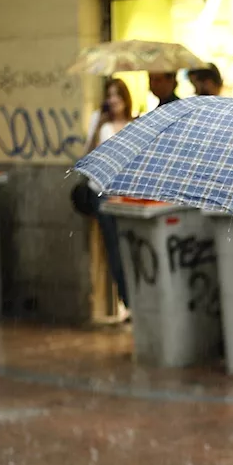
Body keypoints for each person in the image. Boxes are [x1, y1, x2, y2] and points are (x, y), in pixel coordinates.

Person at [84, 78, 134, 317]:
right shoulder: (102, 126)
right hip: (104, 192)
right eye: (109, 95)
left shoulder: (135, 124)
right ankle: (128, 299)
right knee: (114, 245)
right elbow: (90, 160)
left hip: (128, 194)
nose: (113, 100)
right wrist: (97, 125)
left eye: (117, 95)